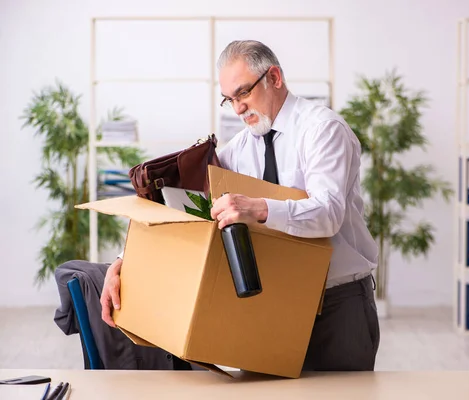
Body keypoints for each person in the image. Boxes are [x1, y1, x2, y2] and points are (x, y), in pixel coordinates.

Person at [101, 40, 380, 371]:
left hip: (336, 306)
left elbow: (328, 214)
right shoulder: (240, 149)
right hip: (270, 306)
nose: (237, 109)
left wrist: (259, 208)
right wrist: (125, 260)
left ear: (274, 77)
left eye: (243, 93)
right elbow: (188, 208)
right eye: (229, 99)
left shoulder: (322, 129)